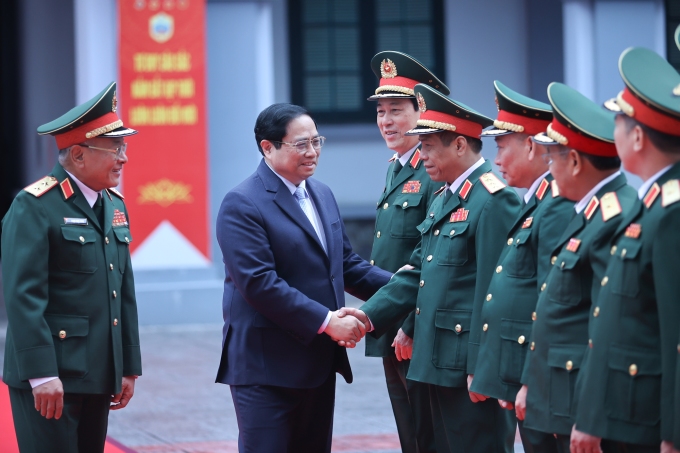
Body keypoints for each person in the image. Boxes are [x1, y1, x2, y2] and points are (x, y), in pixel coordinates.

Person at [344, 83, 522, 452]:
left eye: (427, 146)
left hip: (466, 367)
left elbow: (495, 292)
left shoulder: (492, 200)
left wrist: (483, 367)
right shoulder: (447, 197)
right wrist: (366, 316)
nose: (421, 155)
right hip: (435, 360)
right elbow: (415, 273)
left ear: (459, 145)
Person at [214, 103, 392, 453]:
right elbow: (259, 283)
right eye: (301, 144)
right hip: (265, 366)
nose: (312, 152)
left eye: (317, 141)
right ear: (268, 147)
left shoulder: (320, 193)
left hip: (316, 361)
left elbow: (346, 266)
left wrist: (407, 287)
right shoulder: (242, 203)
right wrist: (327, 321)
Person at [1, 81, 141, 452]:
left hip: (98, 371)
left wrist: (127, 364)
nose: (123, 158)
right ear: (78, 155)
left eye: (123, 147)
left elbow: (122, 290)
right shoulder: (34, 205)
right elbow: (23, 296)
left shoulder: (114, 205)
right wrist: (40, 374)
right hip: (52, 375)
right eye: (114, 149)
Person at [514, 81, 637, 453]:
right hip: (566, 390)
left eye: (552, 160)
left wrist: (591, 415)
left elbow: (608, 327)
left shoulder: (613, 217)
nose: (549, 171)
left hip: (587, 398)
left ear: (576, 161)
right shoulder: (592, 212)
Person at [570, 47, 680, 453]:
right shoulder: (649, 204)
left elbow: (677, 334)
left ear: (637, 136)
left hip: (647, 422)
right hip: (625, 412)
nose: (611, 129)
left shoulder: (670, 214)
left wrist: (674, 434)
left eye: (618, 120)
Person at [468, 80, 575, 452]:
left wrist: (531, 379)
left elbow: (551, 303)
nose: (496, 160)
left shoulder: (555, 206)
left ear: (531, 145)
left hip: (546, 382)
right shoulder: (536, 202)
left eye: (501, 147)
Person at [365, 50, 446, 453]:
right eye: (381, 112)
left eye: (397, 110)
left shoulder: (432, 172)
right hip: (392, 325)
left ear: (422, 111)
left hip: (413, 329)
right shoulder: (396, 167)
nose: (386, 121)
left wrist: (411, 324)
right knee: (408, 433)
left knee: (427, 433)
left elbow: (431, 257)